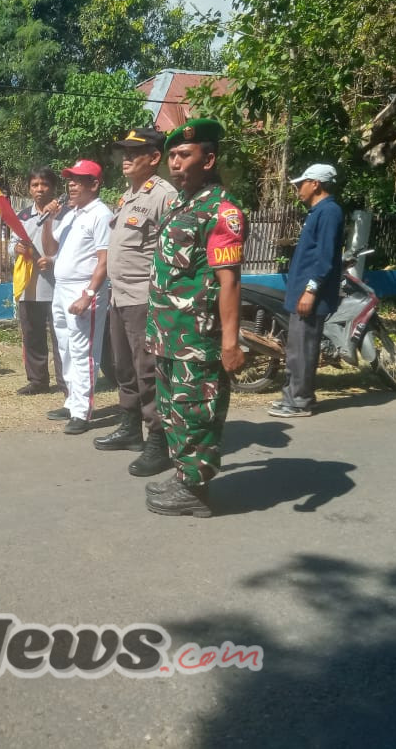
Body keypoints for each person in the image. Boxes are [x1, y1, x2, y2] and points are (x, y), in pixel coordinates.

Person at [144, 119, 247, 519]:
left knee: (196, 411)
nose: (174, 163)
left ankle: (195, 491)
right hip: (169, 334)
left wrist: (230, 343)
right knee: (172, 410)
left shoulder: (222, 211)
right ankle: (186, 477)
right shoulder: (183, 205)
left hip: (199, 337)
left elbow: (229, 282)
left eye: (184, 154)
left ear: (209, 159)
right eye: (171, 155)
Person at [93, 128, 178, 478]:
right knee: (123, 367)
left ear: (154, 158)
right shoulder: (129, 195)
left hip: (145, 298)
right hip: (120, 295)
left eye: (134, 152)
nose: (124, 158)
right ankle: (130, 428)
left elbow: (173, 253)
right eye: (122, 152)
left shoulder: (164, 195)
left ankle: (159, 442)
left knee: (147, 372)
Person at [269, 164, 345, 418]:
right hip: (301, 292)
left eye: (302, 183)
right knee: (296, 348)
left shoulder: (330, 212)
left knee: (303, 349)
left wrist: (310, 291)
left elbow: (325, 259)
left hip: (310, 295)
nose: (298, 189)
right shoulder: (317, 212)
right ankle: (295, 395)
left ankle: (300, 401)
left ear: (316, 184)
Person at [42, 160, 111, 434]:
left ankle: (82, 411)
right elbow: (50, 247)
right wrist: (49, 218)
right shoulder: (71, 213)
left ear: (94, 185)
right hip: (61, 288)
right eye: (70, 179)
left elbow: (105, 260)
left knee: (84, 351)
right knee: (65, 348)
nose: (71, 184)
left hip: (84, 289)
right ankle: (72, 401)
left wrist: (89, 294)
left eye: (78, 179)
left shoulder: (101, 214)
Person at [9, 166, 65, 396]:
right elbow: (11, 245)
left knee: (61, 337)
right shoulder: (22, 216)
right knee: (32, 335)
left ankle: (66, 381)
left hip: (57, 286)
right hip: (29, 287)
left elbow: (75, 246)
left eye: (44, 185)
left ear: (53, 187)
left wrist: (53, 260)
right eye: (35, 185)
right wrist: (17, 248)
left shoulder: (64, 213)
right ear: (29, 188)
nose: (39, 189)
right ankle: (37, 380)